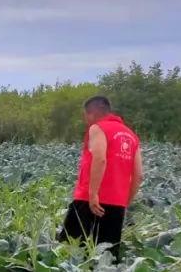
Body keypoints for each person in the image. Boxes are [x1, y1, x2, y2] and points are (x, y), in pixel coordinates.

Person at [59, 96, 142, 259]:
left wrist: (93, 194)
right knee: (106, 258)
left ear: (90, 114)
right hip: (117, 205)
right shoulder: (131, 136)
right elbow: (138, 175)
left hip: (89, 201)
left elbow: (100, 158)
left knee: (69, 252)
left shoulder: (98, 128)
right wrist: (125, 202)